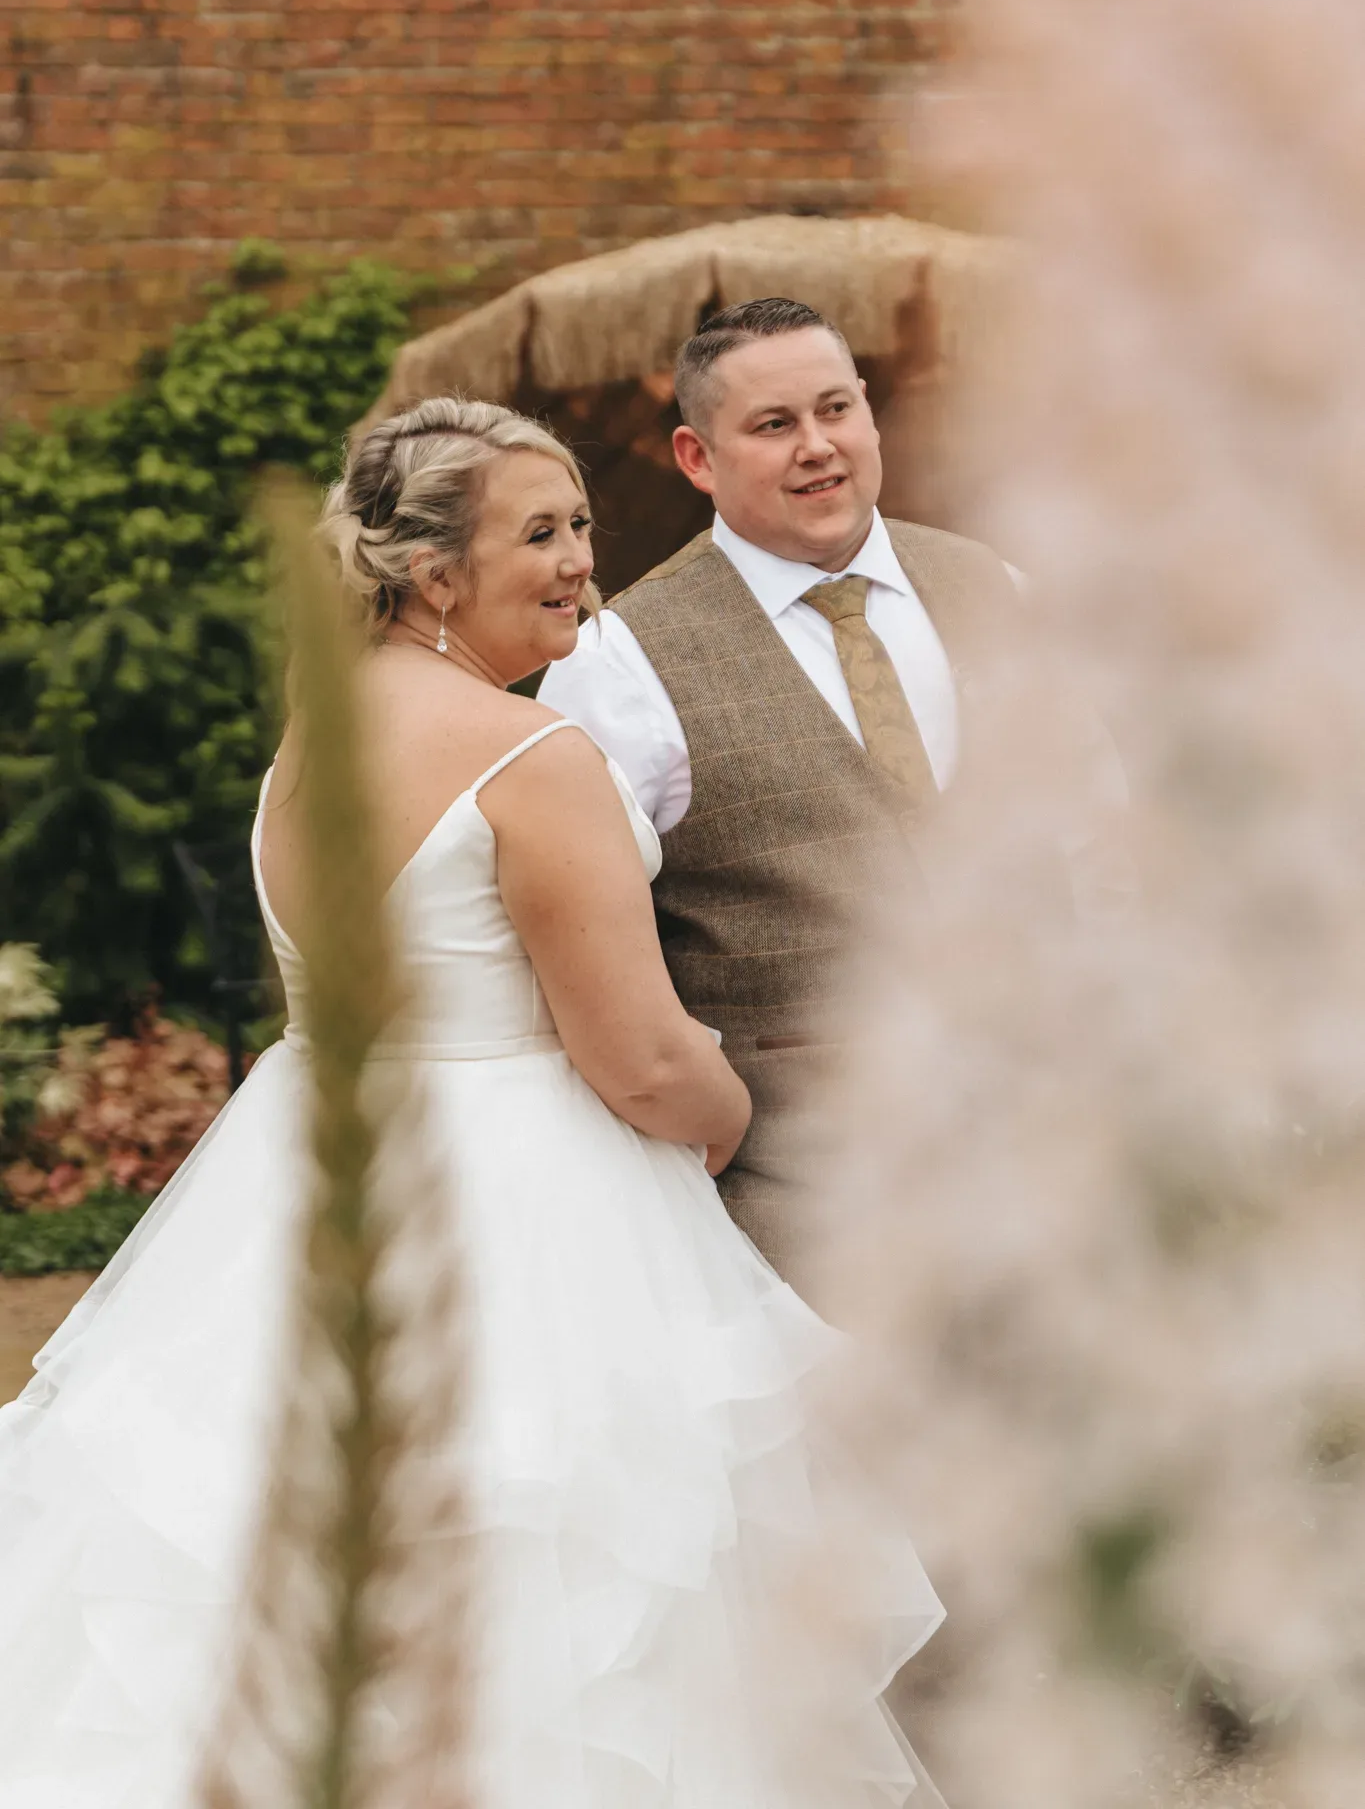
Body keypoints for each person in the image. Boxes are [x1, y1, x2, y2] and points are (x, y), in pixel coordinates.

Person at [0, 396, 945, 1809]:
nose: (581, 562)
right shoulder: (529, 757)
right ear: (435, 572)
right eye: (542, 535)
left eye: (580, 527)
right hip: (521, 1210)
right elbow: (635, 1059)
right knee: (559, 1593)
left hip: (305, 1186)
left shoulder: (307, 744)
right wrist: (728, 1113)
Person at [540, 297, 1032, 1287]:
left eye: (836, 408)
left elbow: (1098, 847)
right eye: (774, 425)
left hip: (1047, 1164)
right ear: (696, 456)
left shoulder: (1001, 589)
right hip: (800, 1213)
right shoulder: (618, 664)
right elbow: (577, 964)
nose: (817, 446)